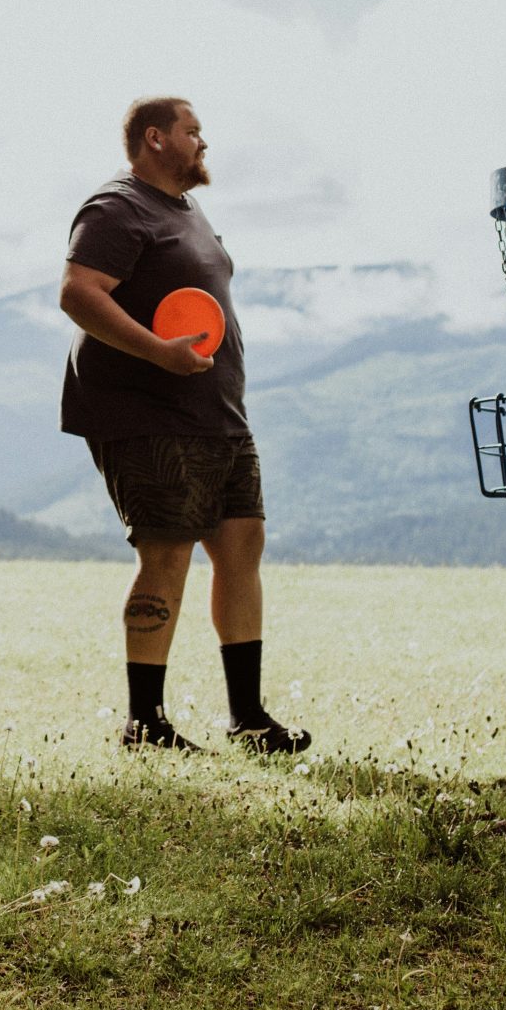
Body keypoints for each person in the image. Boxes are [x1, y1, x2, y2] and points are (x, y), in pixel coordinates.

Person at [58, 97, 309, 754]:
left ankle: (248, 718)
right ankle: (146, 725)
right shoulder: (117, 207)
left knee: (242, 541)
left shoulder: (186, 212)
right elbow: (78, 292)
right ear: (155, 138)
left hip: (216, 414)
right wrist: (158, 353)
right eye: (192, 132)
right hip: (147, 414)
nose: (204, 143)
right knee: (167, 550)